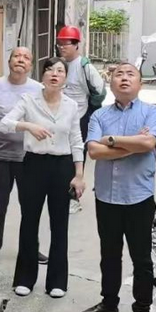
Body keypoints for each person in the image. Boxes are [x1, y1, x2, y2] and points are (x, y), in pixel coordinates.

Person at [79, 62, 156, 312]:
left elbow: (149, 143)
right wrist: (133, 145)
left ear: (140, 83)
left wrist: (112, 140)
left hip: (139, 197)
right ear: (111, 83)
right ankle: (109, 302)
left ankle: (142, 308)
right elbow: (94, 152)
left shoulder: (152, 112)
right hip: (107, 197)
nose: (124, 78)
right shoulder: (99, 115)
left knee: (141, 257)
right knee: (109, 255)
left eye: (130, 75)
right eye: (119, 74)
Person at [0, 57, 86, 299]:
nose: (54, 74)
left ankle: (57, 281)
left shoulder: (71, 106)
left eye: (60, 71)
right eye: (49, 70)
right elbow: (4, 124)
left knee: (60, 223)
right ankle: (25, 278)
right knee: (29, 220)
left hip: (62, 166)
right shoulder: (29, 100)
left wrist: (79, 174)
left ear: (65, 78)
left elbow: (76, 141)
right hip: (33, 165)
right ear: (43, 76)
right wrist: (28, 126)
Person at [0, 47, 48, 268]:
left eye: (26, 57)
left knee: (30, 206)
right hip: (0, 156)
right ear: (9, 61)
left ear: (31, 65)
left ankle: (31, 248)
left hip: (29, 157)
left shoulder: (39, 89)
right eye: (17, 56)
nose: (21, 60)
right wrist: (0, 133)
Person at [55, 25, 106, 214]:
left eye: (66, 43)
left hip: (80, 117)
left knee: (76, 158)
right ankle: (59, 193)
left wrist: (91, 107)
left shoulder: (85, 67)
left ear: (76, 45)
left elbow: (100, 91)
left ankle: (73, 198)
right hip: (59, 118)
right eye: (60, 43)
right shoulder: (58, 65)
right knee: (60, 157)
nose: (62, 47)